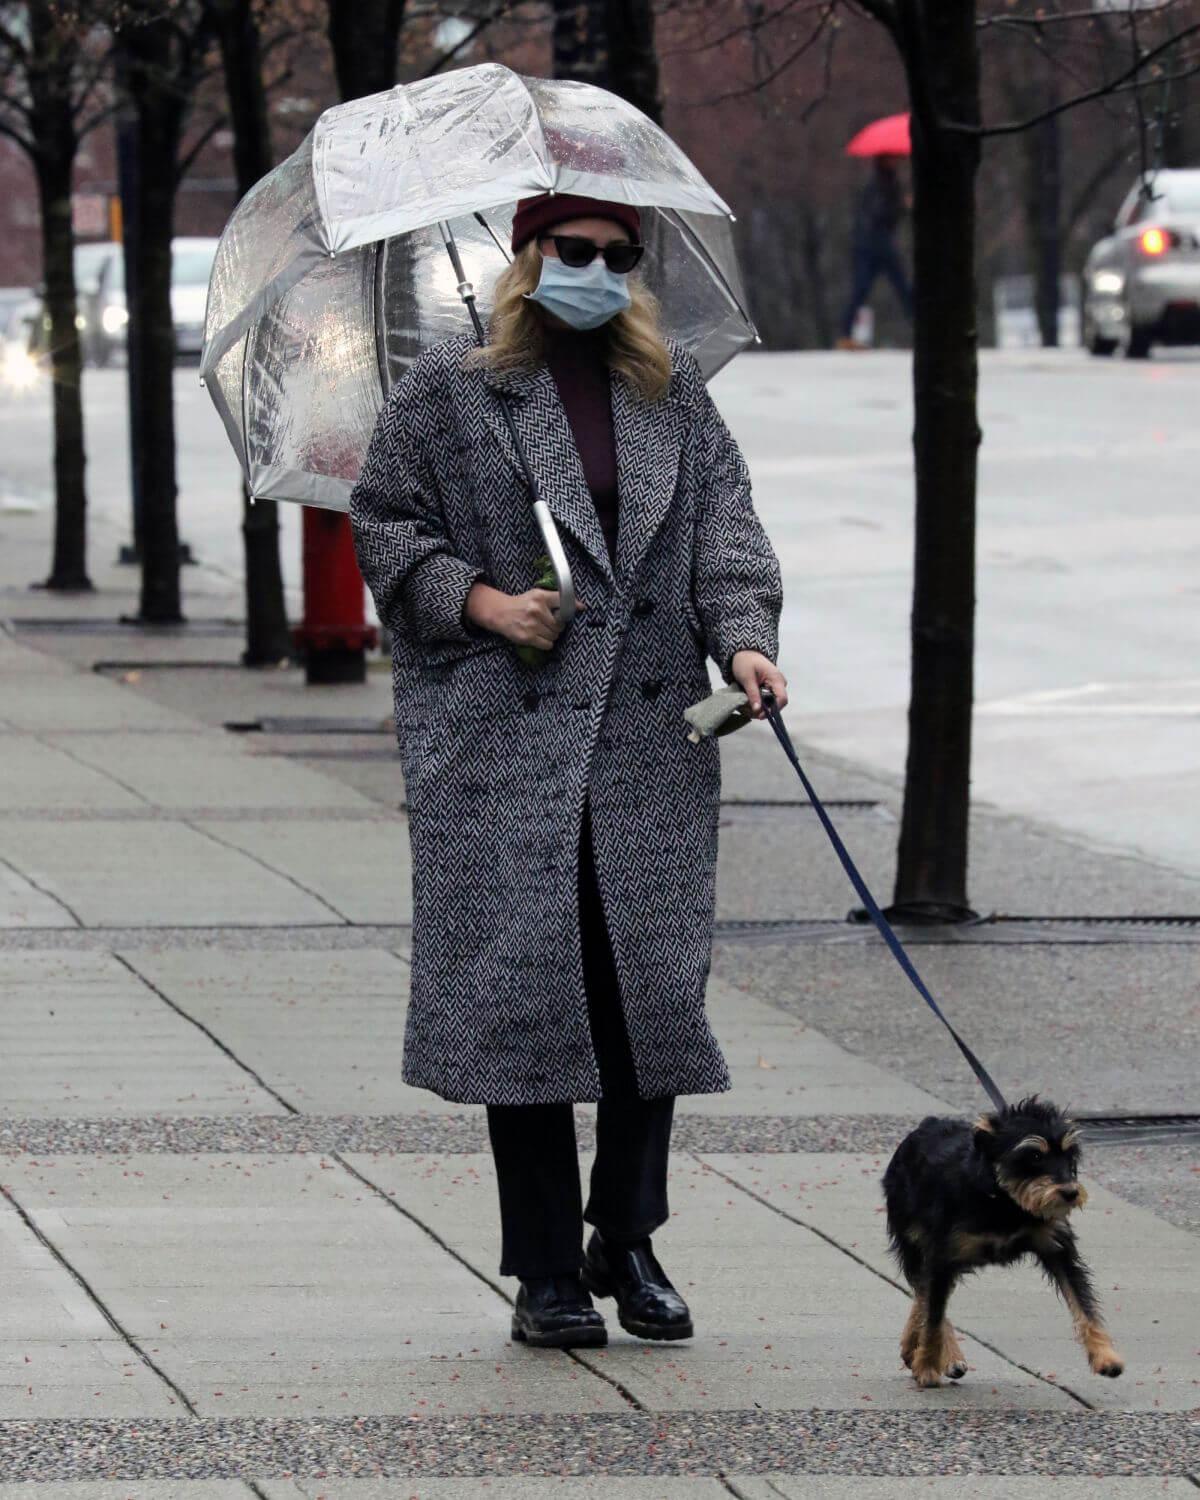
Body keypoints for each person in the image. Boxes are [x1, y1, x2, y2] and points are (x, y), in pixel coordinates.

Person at [350, 192, 786, 1351]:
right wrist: (488, 603)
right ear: (527, 259)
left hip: (649, 743)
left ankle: (626, 1238)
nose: (596, 271)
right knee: (527, 1005)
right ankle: (546, 1271)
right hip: (505, 743)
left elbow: (727, 537)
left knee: (651, 1001)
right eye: (573, 251)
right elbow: (386, 529)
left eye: (617, 257)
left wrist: (745, 643)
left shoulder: (672, 391)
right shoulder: (451, 391)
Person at [837, 155, 913, 348]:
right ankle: (845, 333)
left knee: (897, 288)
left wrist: (902, 206)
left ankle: (845, 332)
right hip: (873, 244)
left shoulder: (889, 181)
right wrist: (901, 205)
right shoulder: (877, 184)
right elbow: (878, 214)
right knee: (869, 288)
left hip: (878, 243)